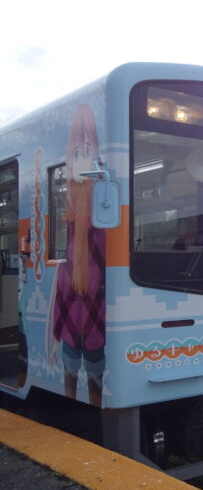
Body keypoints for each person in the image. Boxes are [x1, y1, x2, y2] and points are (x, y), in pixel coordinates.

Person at [51, 104, 106, 406]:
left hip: (92, 323)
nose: (82, 157)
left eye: (88, 149)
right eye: (76, 152)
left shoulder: (100, 225)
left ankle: (85, 408)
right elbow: (62, 283)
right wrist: (55, 334)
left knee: (93, 380)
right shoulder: (71, 222)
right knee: (73, 377)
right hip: (76, 324)